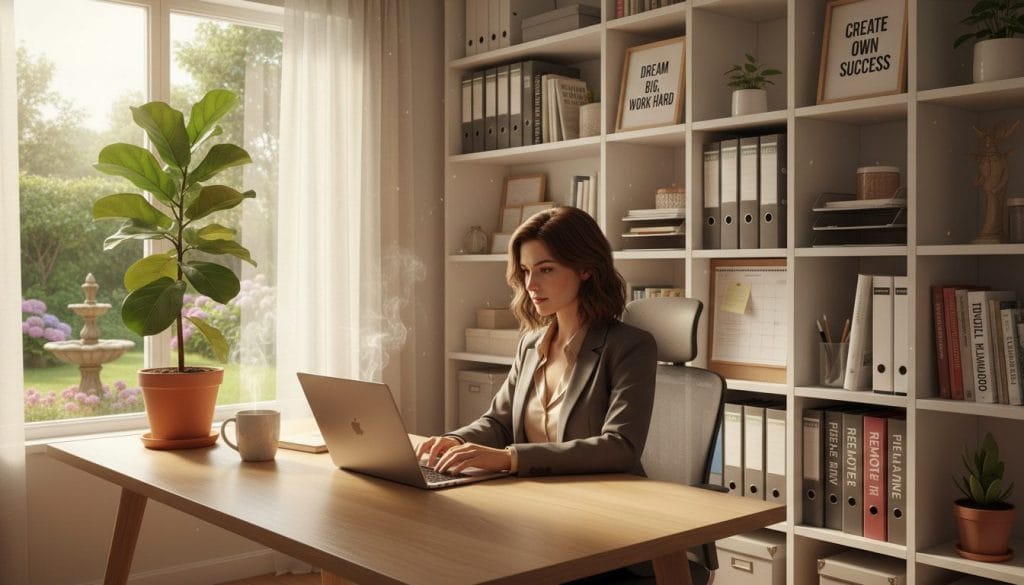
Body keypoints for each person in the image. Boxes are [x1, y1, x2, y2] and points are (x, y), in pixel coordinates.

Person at [417, 206, 657, 477]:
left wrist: (511, 458)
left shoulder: (631, 347)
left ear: (586, 269)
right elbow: (500, 422)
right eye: (525, 270)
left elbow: (620, 447)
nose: (530, 284)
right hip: (536, 496)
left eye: (545, 270)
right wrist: (455, 441)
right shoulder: (531, 344)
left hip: (606, 500)